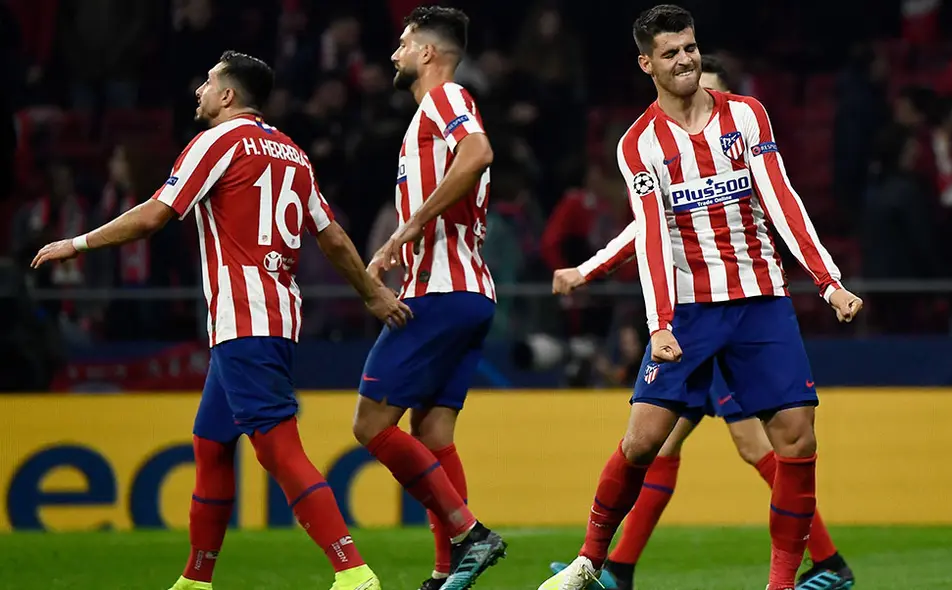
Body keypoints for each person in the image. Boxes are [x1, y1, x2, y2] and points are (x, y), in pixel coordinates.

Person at [31, 51, 411, 590]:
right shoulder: (293, 153)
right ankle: (196, 578)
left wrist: (78, 242)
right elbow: (330, 236)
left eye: (208, 82)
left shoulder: (215, 143)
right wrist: (371, 292)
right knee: (210, 443)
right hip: (272, 315)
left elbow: (157, 214)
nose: (199, 91)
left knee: (280, 450)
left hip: (244, 317)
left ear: (229, 96)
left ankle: (353, 571)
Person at [536, 7, 863, 590]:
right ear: (647, 63)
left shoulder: (747, 117)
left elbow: (782, 199)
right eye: (671, 52)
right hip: (689, 314)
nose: (685, 58)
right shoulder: (640, 144)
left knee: (796, 437)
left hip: (760, 302)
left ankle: (785, 581)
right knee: (643, 442)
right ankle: (592, 563)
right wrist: (658, 320)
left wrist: (829, 281)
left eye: (690, 47)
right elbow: (653, 233)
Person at [353, 7, 506, 590]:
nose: (394, 53)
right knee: (434, 435)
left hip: (439, 294)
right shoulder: (430, 113)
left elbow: (478, 153)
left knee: (370, 425)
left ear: (426, 53)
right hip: (468, 293)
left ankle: (471, 534)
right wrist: (399, 243)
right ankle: (448, 573)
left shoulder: (445, 100)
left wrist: (409, 224)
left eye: (402, 42)